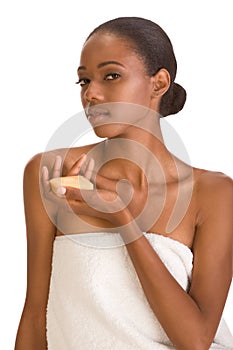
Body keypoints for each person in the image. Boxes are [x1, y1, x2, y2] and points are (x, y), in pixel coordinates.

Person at [15, 17, 233, 350]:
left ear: (158, 83)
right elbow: (35, 313)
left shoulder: (213, 194)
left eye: (111, 75)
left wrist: (125, 221)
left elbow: (196, 340)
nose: (92, 93)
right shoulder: (51, 172)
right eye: (84, 80)